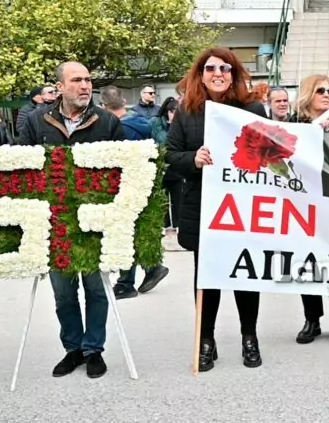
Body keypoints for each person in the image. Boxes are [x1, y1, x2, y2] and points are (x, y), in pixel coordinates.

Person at [18, 61, 126, 379]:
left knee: (95, 289)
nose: (85, 85)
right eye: (76, 80)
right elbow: (23, 167)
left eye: (88, 80)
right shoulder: (37, 121)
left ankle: (94, 350)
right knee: (63, 292)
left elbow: (123, 169)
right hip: (54, 223)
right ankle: (73, 348)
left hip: (94, 221)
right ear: (60, 87)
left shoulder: (107, 121)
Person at [166, 47, 267, 372]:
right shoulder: (187, 112)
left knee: (245, 276)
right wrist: (193, 159)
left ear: (234, 74)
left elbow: (272, 151)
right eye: (211, 68)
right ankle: (206, 339)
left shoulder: (252, 109)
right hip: (204, 208)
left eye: (225, 68)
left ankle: (249, 337)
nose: (218, 74)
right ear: (201, 74)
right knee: (207, 278)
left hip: (244, 208)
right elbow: (170, 154)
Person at [288, 74, 329, 344]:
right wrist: (314, 133)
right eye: (320, 90)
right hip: (303, 203)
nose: (327, 95)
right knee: (307, 261)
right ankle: (312, 319)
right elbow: (287, 157)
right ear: (307, 95)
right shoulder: (294, 125)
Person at [100, 85, 170, 299]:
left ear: (103, 105)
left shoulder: (116, 128)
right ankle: (150, 267)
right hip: (145, 182)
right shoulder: (143, 122)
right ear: (124, 101)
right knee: (137, 228)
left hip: (123, 185)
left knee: (125, 232)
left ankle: (126, 282)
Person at [150, 97, 183, 231]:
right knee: (162, 196)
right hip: (161, 165)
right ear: (167, 111)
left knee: (178, 197)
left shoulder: (180, 124)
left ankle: (178, 224)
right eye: (172, 111)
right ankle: (164, 224)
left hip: (176, 166)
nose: (174, 115)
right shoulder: (156, 123)